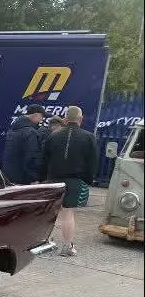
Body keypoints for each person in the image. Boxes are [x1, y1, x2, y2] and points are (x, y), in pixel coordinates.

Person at [40, 106, 99, 257]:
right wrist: (88, 179)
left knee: (51, 212)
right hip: (74, 180)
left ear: (65, 119)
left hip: (53, 179)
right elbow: (92, 162)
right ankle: (67, 246)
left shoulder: (53, 136)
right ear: (81, 119)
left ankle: (44, 242)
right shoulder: (88, 137)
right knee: (68, 213)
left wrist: (42, 179)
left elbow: (44, 159)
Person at [1, 104, 48, 185]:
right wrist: (34, 178)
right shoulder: (31, 132)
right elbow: (32, 157)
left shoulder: (12, 130)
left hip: (10, 177)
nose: (41, 120)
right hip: (24, 180)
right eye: (41, 116)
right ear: (36, 115)